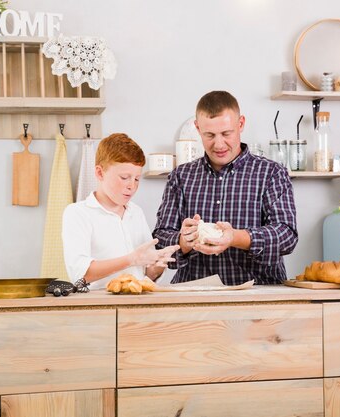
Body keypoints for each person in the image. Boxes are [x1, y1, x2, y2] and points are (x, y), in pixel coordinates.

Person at [153, 91, 298, 285]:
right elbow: (160, 240)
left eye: (226, 133)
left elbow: (287, 236)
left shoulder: (271, 173)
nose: (219, 144)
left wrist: (236, 237)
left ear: (241, 124)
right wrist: (183, 241)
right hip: (195, 297)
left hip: (259, 295)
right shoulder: (180, 176)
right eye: (209, 135)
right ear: (197, 128)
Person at [62, 133, 179, 291]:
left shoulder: (136, 212)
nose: (132, 186)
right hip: (98, 307)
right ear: (100, 173)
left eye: (137, 179)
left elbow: (145, 274)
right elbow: (80, 273)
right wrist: (131, 259)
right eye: (124, 177)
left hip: (136, 305)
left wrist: (157, 265)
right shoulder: (78, 213)